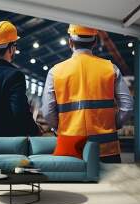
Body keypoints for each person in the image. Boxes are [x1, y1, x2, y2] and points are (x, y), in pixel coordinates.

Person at [41, 24, 133, 163]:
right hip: (106, 149)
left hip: (70, 148)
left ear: (70, 42)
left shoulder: (55, 72)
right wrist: (112, 125)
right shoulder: (111, 68)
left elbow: (48, 112)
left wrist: (59, 128)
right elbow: (127, 107)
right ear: (95, 42)